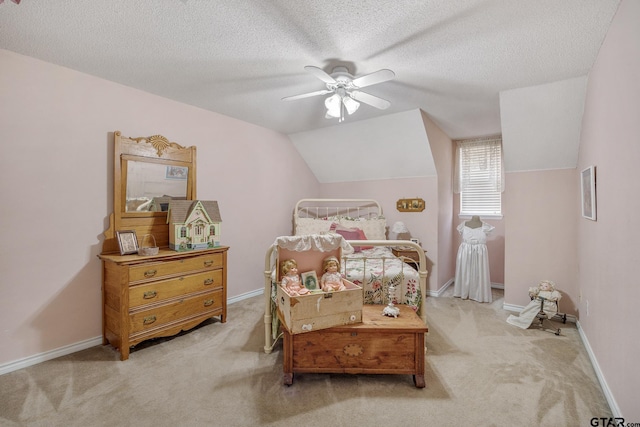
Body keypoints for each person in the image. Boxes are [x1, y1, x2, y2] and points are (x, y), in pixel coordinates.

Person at [453, 216, 494, 302]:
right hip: (465, 249)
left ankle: (478, 294)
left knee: (479, 272)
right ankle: (463, 292)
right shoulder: (463, 225)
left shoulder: (485, 226)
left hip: (479, 251)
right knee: (465, 270)